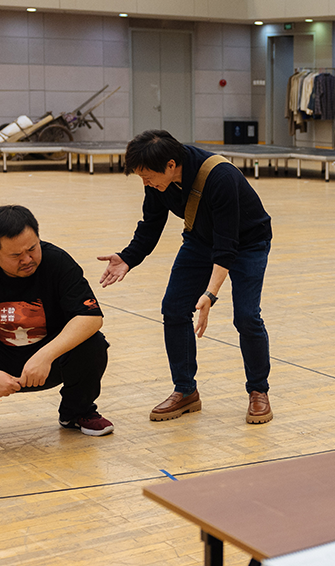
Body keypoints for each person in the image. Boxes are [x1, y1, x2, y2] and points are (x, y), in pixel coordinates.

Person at [98, 130, 274, 424]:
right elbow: (151, 223)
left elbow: (227, 245)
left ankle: (258, 390)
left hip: (248, 243)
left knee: (246, 316)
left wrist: (210, 294)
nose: (146, 183)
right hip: (200, 239)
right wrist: (128, 257)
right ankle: (186, 390)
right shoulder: (158, 181)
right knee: (174, 308)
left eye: (147, 176)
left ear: (170, 165)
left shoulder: (220, 177)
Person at [0, 205, 111, 446]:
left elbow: (91, 317)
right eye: (16, 255)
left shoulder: (58, 262)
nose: (27, 260)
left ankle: (78, 412)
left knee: (92, 342)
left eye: (32, 248)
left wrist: (45, 355)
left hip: (48, 359)